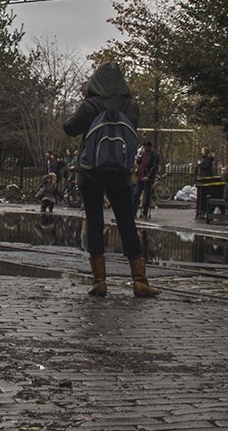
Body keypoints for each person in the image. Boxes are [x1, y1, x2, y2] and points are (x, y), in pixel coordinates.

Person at [63, 61, 159, 298]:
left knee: (95, 222)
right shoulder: (131, 106)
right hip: (121, 174)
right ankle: (140, 281)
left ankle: (99, 281)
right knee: (127, 222)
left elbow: (69, 128)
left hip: (91, 173)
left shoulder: (89, 106)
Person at [132, 140, 163, 218]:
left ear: (150, 147)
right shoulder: (143, 154)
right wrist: (138, 158)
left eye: (146, 148)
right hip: (140, 177)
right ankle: (133, 211)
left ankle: (144, 212)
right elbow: (139, 163)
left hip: (147, 178)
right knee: (136, 194)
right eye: (144, 148)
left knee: (146, 195)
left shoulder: (154, 155)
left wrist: (149, 176)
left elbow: (154, 167)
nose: (145, 149)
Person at [196, 147, 222, 221]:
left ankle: (204, 211)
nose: (201, 152)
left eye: (202, 151)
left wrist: (200, 164)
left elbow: (206, 167)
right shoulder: (206, 159)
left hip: (206, 178)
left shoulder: (208, 159)